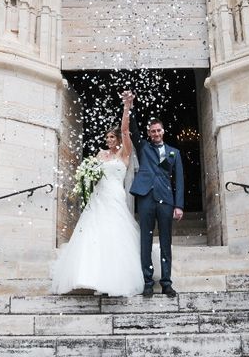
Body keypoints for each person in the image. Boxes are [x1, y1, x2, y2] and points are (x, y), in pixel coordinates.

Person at [51, 92, 144, 296]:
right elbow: (91, 173)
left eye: (112, 136)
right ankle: (89, 276)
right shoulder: (101, 155)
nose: (109, 139)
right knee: (93, 233)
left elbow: (126, 129)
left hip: (115, 196)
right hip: (98, 197)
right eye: (107, 137)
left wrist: (126, 107)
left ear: (119, 138)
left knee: (114, 233)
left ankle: (112, 279)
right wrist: (86, 175)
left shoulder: (124, 154)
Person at [128, 92, 184, 297]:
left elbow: (179, 179)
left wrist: (179, 205)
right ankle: (148, 282)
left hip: (166, 200)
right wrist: (130, 107)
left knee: (165, 241)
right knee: (146, 240)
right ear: (149, 133)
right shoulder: (143, 147)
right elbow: (132, 130)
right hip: (145, 197)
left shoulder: (174, 152)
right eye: (152, 131)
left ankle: (167, 282)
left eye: (158, 130)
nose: (156, 133)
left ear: (163, 131)